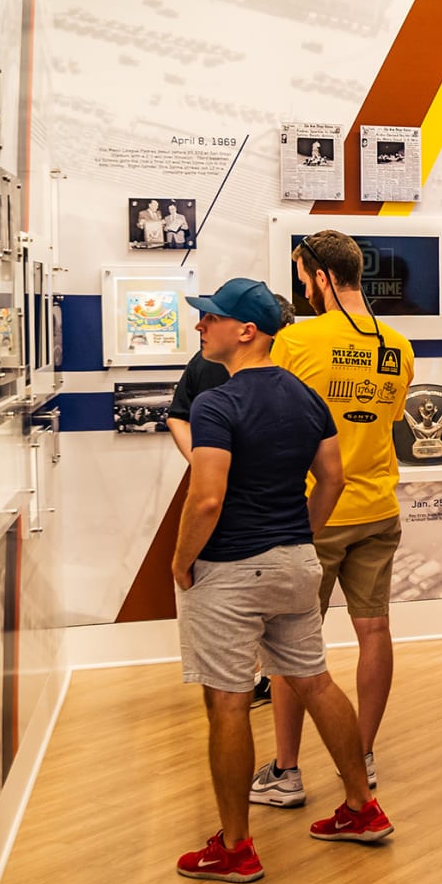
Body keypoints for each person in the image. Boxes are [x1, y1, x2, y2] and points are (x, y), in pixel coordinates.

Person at [169, 278, 391, 882]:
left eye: (209, 317)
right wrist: (302, 536)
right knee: (316, 682)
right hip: (296, 562)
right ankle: (360, 809)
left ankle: (235, 848)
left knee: (228, 701)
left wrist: (180, 560)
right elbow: (334, 479)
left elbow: (207, 497)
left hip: (232, 569)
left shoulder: (217, 404)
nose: (199, 326)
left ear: (246, 330)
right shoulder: (304, 396)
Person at [249, 230, 414, 809]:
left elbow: (272, 417)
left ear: (321, 277)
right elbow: (386, 417)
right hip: (378, 506)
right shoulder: (398, 345)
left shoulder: (296, 341)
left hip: (312, 512)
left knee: (293, 642)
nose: (303, 290)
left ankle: (287, 771)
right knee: (374, 630)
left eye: (303, 279)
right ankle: (360, 755)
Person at [167, 295, 295, 708]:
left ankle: (263, 684)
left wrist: (205, 462)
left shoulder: (281, 376)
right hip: (253, 516)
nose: (202, 327)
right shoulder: (212, 366)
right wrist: (205, 460)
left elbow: (176, 415)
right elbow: (178, 413)